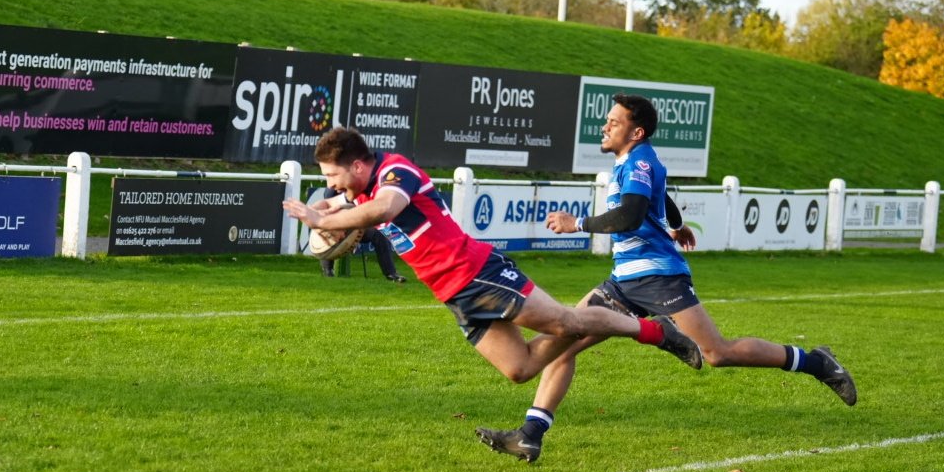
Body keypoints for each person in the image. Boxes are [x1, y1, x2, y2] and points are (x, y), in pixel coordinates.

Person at [475, 93, 857, 463]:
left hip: (659, 277)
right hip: (624, 279)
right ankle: (531, 434)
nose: (604, 125)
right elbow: (657, 198)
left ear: (636, 132)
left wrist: (577, 223)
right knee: (565, 340)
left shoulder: (638, 162)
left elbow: (630, 215)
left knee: (717, 353)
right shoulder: (634, 161)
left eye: (614, 121)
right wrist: (677, 223)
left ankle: (816, 362)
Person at [282, 127, 703, 393]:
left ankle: (655, 331)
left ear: (357, 165)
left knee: (566, 323)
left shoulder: (395, 171)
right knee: (520, 369)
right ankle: (613, 317)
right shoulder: (359, 189)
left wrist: (323, 215)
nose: (330, 185)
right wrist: (330, 214)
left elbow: (386, 209)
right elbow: (350, 203)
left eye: (332, 176)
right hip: (452, 292)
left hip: (475, 272)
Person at [316, 186, 406, 283]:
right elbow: (328, 211)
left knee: (379, 234)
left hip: (359, 225)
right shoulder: (333, 189)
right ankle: (327, 271)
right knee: (329, 231)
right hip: (339, 224)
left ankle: (391, 273)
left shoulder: (362, 185)